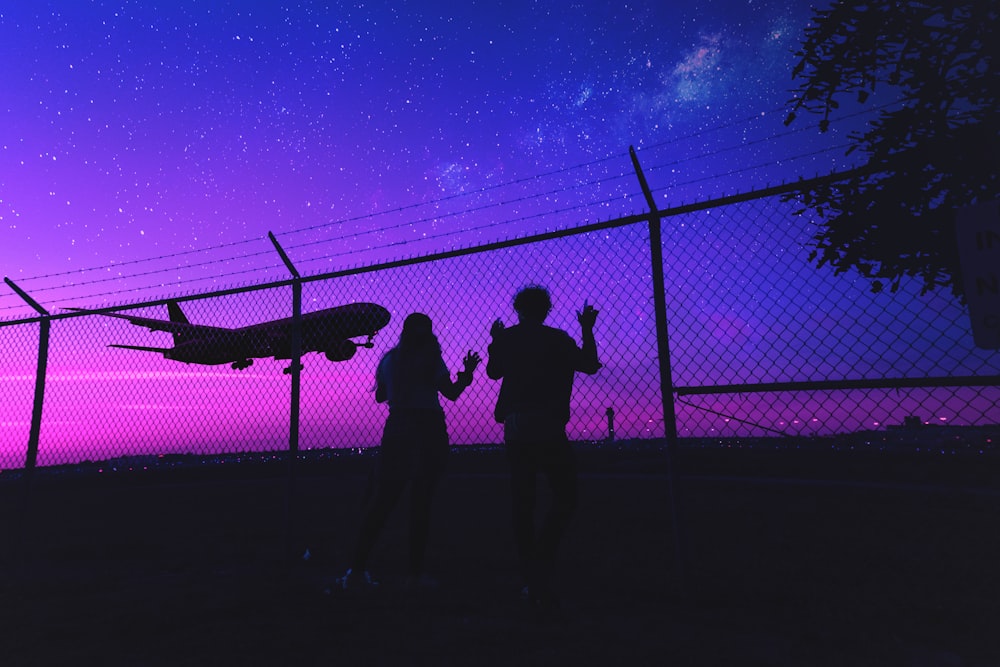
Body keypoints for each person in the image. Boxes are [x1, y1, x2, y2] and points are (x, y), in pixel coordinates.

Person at [335, 312, 480, 590]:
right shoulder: (430, 359)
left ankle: (357, 569)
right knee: (421, 501)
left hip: (397, 426)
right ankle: (414, 574)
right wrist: (468, 373)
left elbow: (380, 396)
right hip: (427, 426)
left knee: (382, 501)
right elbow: (450, 393)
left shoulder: (389, 359)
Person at [486, 285, 601, 607]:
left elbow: (494, 372)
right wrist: (587, 330)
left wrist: (496, 341)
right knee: (566, 496)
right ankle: (543, 557)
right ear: (547, 309)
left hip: (517, 425)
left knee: (523, 502)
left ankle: (530, 571)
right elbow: (590, 364)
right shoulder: (558, 339)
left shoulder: (508, 338)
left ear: (518, 308)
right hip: (549, 423)